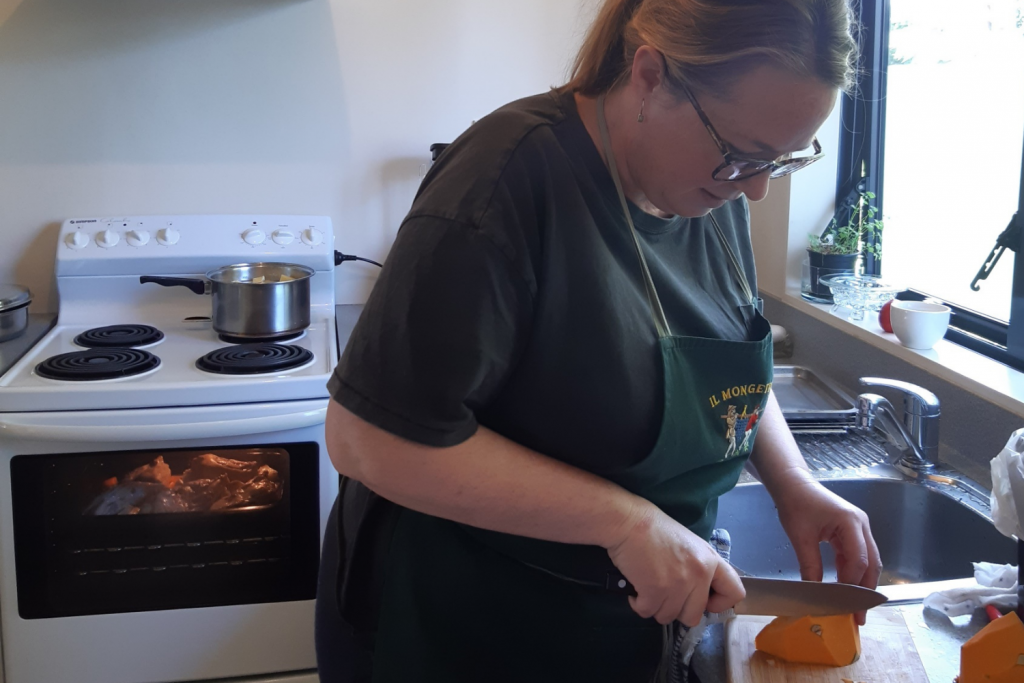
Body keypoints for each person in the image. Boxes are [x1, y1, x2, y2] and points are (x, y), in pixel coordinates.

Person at [315, 0, 883, 680]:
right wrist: (626, 523)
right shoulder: (504, 183)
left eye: (783, 159)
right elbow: (366, 438)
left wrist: (792, 482)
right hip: (467, 631)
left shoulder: (708, 190)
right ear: (650, 76)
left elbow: (728, 364)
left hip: (615, 632)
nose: (757, 190)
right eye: (742, 154)